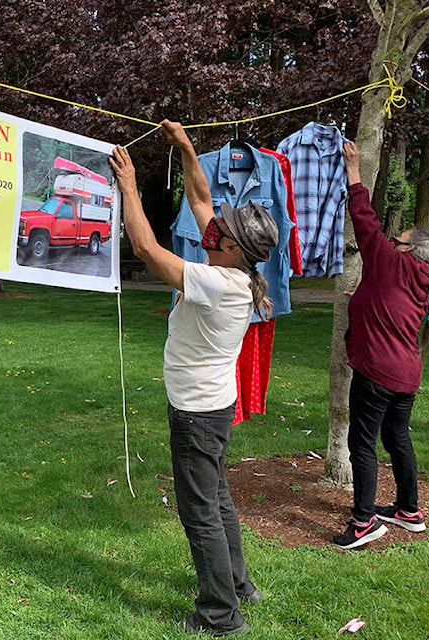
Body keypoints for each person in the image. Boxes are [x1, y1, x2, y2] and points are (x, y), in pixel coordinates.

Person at [109, 121, 279, 637]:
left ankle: (221, 614)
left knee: (199, 512)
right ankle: (240, 584)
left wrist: (130, 187)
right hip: (213, 407)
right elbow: (204, 198)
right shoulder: (232, 266)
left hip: (197, 414)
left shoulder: (218, 282)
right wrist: (186, 150)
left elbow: (145, 248)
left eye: (220, 228)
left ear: (232, 246)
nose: (212, 224)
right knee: (218, 498)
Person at [332, 142, 429, 550]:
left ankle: (363, 524)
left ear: (408, 249)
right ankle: (409, 511)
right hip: (406, 375)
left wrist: (354, 170)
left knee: (362, 443)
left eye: (399, 239)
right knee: (397, 438)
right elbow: (386, 303)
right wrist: (359, 299)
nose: (391, 241)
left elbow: (365, 222)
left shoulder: (390, 261)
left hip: (377, 373)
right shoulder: (421, 275)